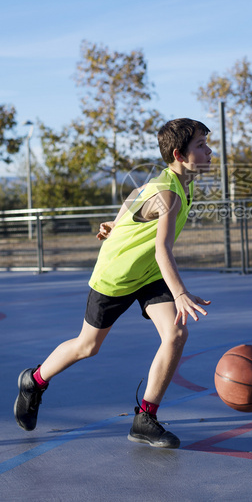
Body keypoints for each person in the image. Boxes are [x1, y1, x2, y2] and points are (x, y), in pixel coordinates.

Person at [14, 118, 212, 449]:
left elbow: (136, 194)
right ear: (179, 154)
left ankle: (145, 419)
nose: (209, 151)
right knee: (87, 346)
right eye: (201, 146)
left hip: (147, 274)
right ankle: (33, 381)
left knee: (176, 334)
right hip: (116, 276)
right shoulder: (169, 194)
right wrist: (180, 292)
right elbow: (163, 250)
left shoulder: (179, 182)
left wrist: (117, 222)